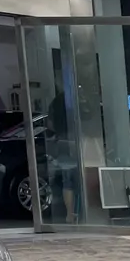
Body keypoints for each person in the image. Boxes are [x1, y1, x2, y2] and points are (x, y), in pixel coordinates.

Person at [47, 78, 79, 223]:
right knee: (82, 178)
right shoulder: (79, 99)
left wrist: (60, 131)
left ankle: (70, 214)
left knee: (68, 181)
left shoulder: (56, 101)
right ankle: (85, 212)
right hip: (79, 142)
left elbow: (50, 124)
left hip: (62, 142)